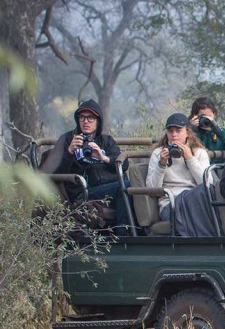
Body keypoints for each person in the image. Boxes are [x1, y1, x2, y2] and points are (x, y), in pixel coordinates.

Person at [41, 99, 130, 235]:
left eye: (90, 118)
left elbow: (124, 164)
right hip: (83, 192)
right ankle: (123, 236)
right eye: (82, 117)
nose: (86, 121)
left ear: (98, 121)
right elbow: (55, 172)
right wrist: (69, 152)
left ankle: (135, 233)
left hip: (107, 189)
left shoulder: (106, 141)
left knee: (129, 186)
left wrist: (103, 157)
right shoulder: (66, 139)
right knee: (122, 187)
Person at [145, 113, 211, 221]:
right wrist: (161, 165)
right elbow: (152, 189)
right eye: (170, 131)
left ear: (187, 132)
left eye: (178, 130)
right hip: (170, 204)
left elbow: (207, 184)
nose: (174, 135)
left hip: (195, 201)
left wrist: (190, 159)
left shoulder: (199, 153)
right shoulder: (158, 153)